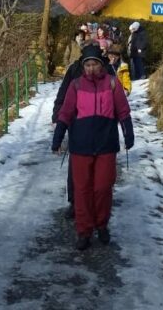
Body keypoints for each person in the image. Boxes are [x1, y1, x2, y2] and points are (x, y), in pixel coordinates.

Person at [52, 45, 133, 251]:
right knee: (82, 190)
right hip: (81, 145)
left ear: (101, 65)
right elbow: (66, 112)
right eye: (87, 65)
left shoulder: (112, 84)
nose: (90, 68)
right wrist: (58, 135)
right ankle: (84, 231)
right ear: (83, 66)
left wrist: (128, 132)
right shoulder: (76, 85)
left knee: (103, 188)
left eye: (94, 64)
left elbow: (123, 110)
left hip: (106, 144)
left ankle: (102, 225)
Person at [52, 43, 115, 219]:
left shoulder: (108, 70)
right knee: (76, 164)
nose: (91, 66)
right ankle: (75, 202)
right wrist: (57, 114)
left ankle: (97, 202)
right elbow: (64, 92)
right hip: (78, 122)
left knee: (101, 167)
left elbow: (116, 95)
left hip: (103, 125)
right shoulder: (75, 69)